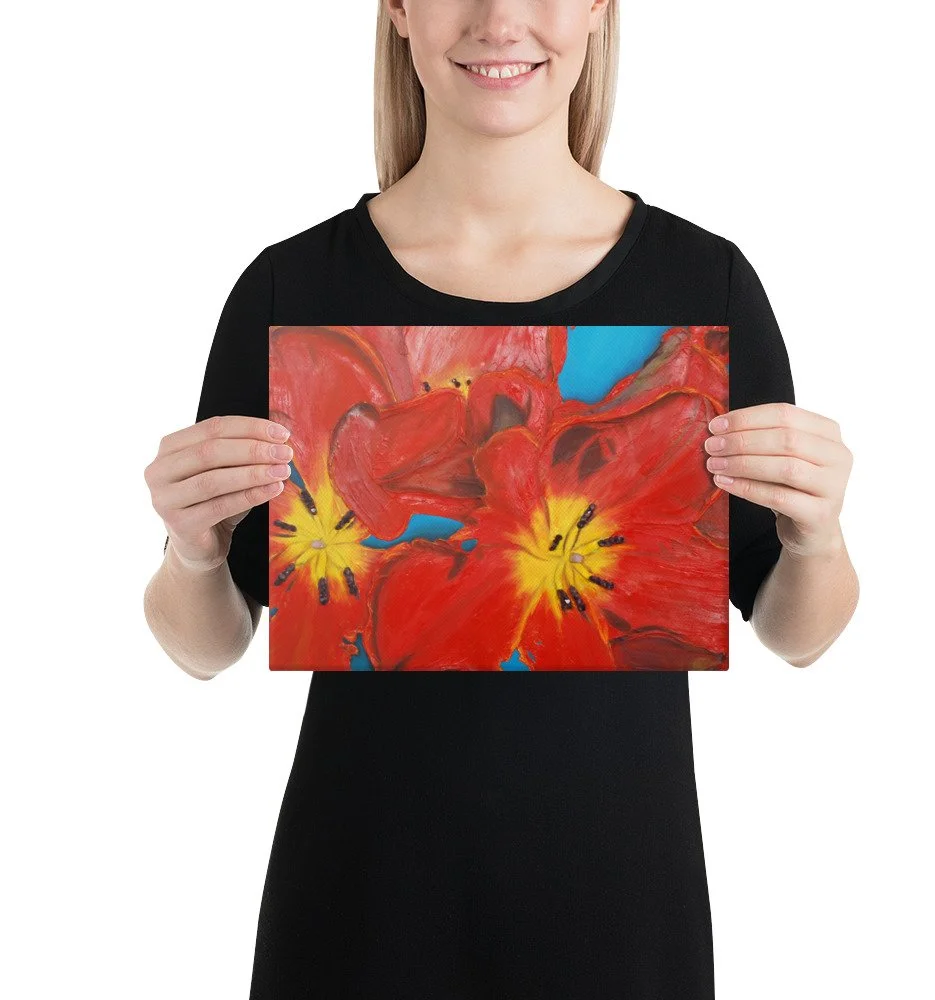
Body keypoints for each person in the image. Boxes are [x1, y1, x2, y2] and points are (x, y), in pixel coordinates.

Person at [143, 0, 860, 995]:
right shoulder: (290, 288)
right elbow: (207, 643)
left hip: (621, 925)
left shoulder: (706, 283)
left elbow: (795, 631)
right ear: (399, 9)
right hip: (358, 918)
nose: (500, 18)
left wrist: (817, 537)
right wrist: (190, 550)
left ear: (599, 8)